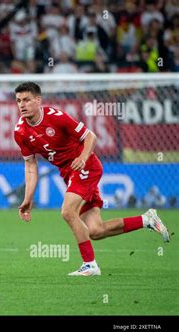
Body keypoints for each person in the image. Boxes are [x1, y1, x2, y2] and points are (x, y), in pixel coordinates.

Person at [13, 82, 170, 277]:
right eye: (18, 101)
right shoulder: (20, 132)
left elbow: (90, 136)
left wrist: (82, 158)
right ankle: (147, 219)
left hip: (86, 166)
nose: (22, 105)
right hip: (70, 174)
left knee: (68, 212)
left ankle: (90, 265)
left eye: (27, 100)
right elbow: (30, 166)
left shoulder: (57, 117)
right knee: (95, 230)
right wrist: (28, 199)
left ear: (38, 100)